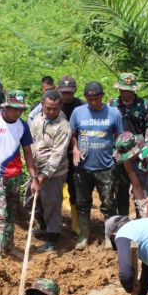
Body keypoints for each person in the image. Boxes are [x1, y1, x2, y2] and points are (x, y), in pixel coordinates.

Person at [0, 91, 40, 260]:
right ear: (6, 106)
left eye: (21, 109)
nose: (18, 112)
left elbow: (28, 153)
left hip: (15, 176)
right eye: (15, 109)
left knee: (11, 214)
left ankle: (9, 246)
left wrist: (34, 178)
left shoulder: (23, 126)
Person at [69, 81, 124, 249]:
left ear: (102, 96)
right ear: (85, 98)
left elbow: (119, 135)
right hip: (83, 167)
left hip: (106, 167)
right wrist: (75, 149)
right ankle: (84, 236)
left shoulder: (114, 113)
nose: (93, 102)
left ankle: (108, 236)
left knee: (108, 203)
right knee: (82, 202)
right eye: (90, 99)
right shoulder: (78, 112)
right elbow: (72, 134)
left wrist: (118, 150)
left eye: (97, 99)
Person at [28, 90, 72, 253]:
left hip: (53, 173)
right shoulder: (38, 119)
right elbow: (31, 143)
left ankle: (52, 240)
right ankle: (44, 227)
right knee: (34, 202)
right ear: (42, 105)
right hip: (36, 168)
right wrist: (33, 170)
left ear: (60, 106)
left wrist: (42, 177)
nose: (51, 112)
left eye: (54, 108)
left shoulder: (63, 126)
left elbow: (57, 156)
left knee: (52, 204)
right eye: (48, 108)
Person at [109, 73, 148, 216]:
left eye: (128, 90)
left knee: (140, 189)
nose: (125, 93)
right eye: (122, 90)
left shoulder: (144, 105)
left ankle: (140, 218)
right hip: (118, 153)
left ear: (134, 90)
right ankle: (123, 220)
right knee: (121, 189)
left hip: (138, 154)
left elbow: (147, 130)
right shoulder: (112, 105)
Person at [58, 75, 84, 233]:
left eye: (69, 92)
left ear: (75, 90)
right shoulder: (54, 104)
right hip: (57, 154)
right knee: (55, 188)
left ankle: (76, 222)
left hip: (74, 153)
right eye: (63, 92)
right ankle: (53, 223)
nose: (66, 96)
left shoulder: (81, 106)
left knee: (75, 187)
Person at [113, 132, 148, 216]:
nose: (127, 158)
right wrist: (142, 205)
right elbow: (136, 185)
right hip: (145, 192)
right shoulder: (127, 161)